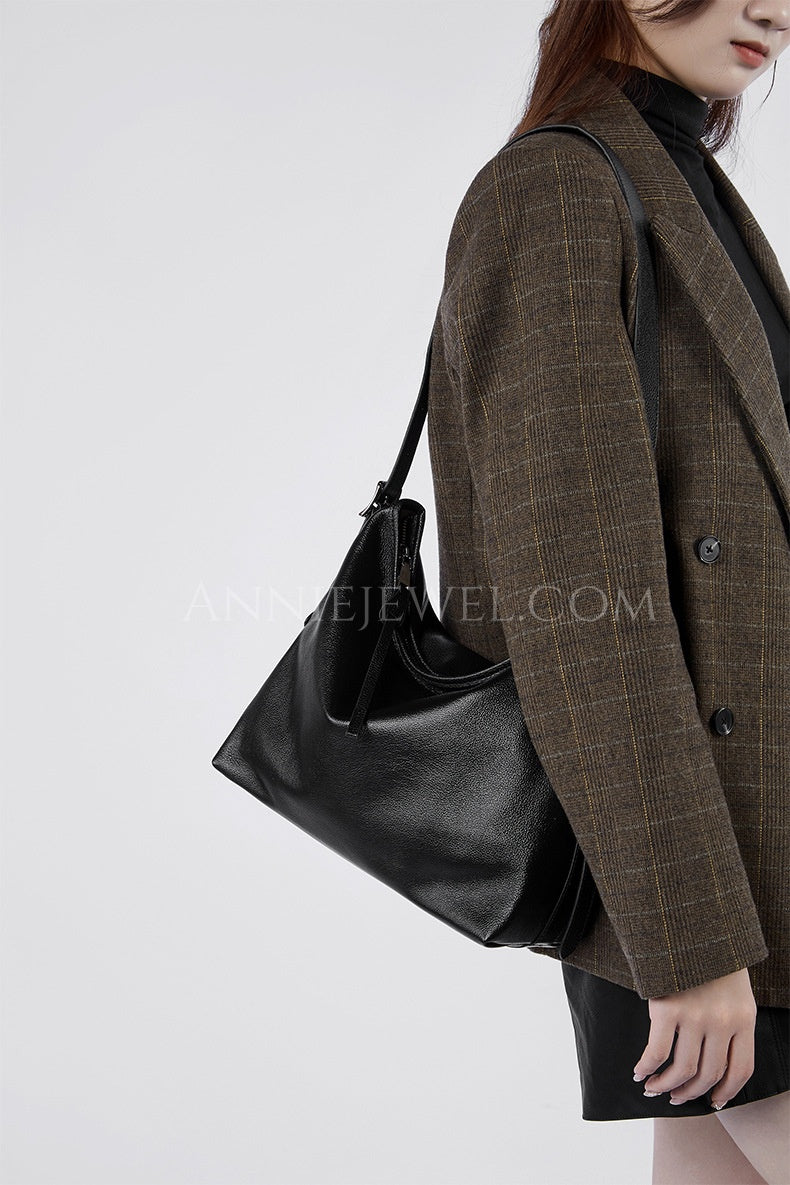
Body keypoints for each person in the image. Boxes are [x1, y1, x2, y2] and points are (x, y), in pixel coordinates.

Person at [424, 1, 790, 1181]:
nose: (774, 9)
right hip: (707, 886)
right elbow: (581, 603)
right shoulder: (556, 189)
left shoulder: (676, 177)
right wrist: (686, 937)